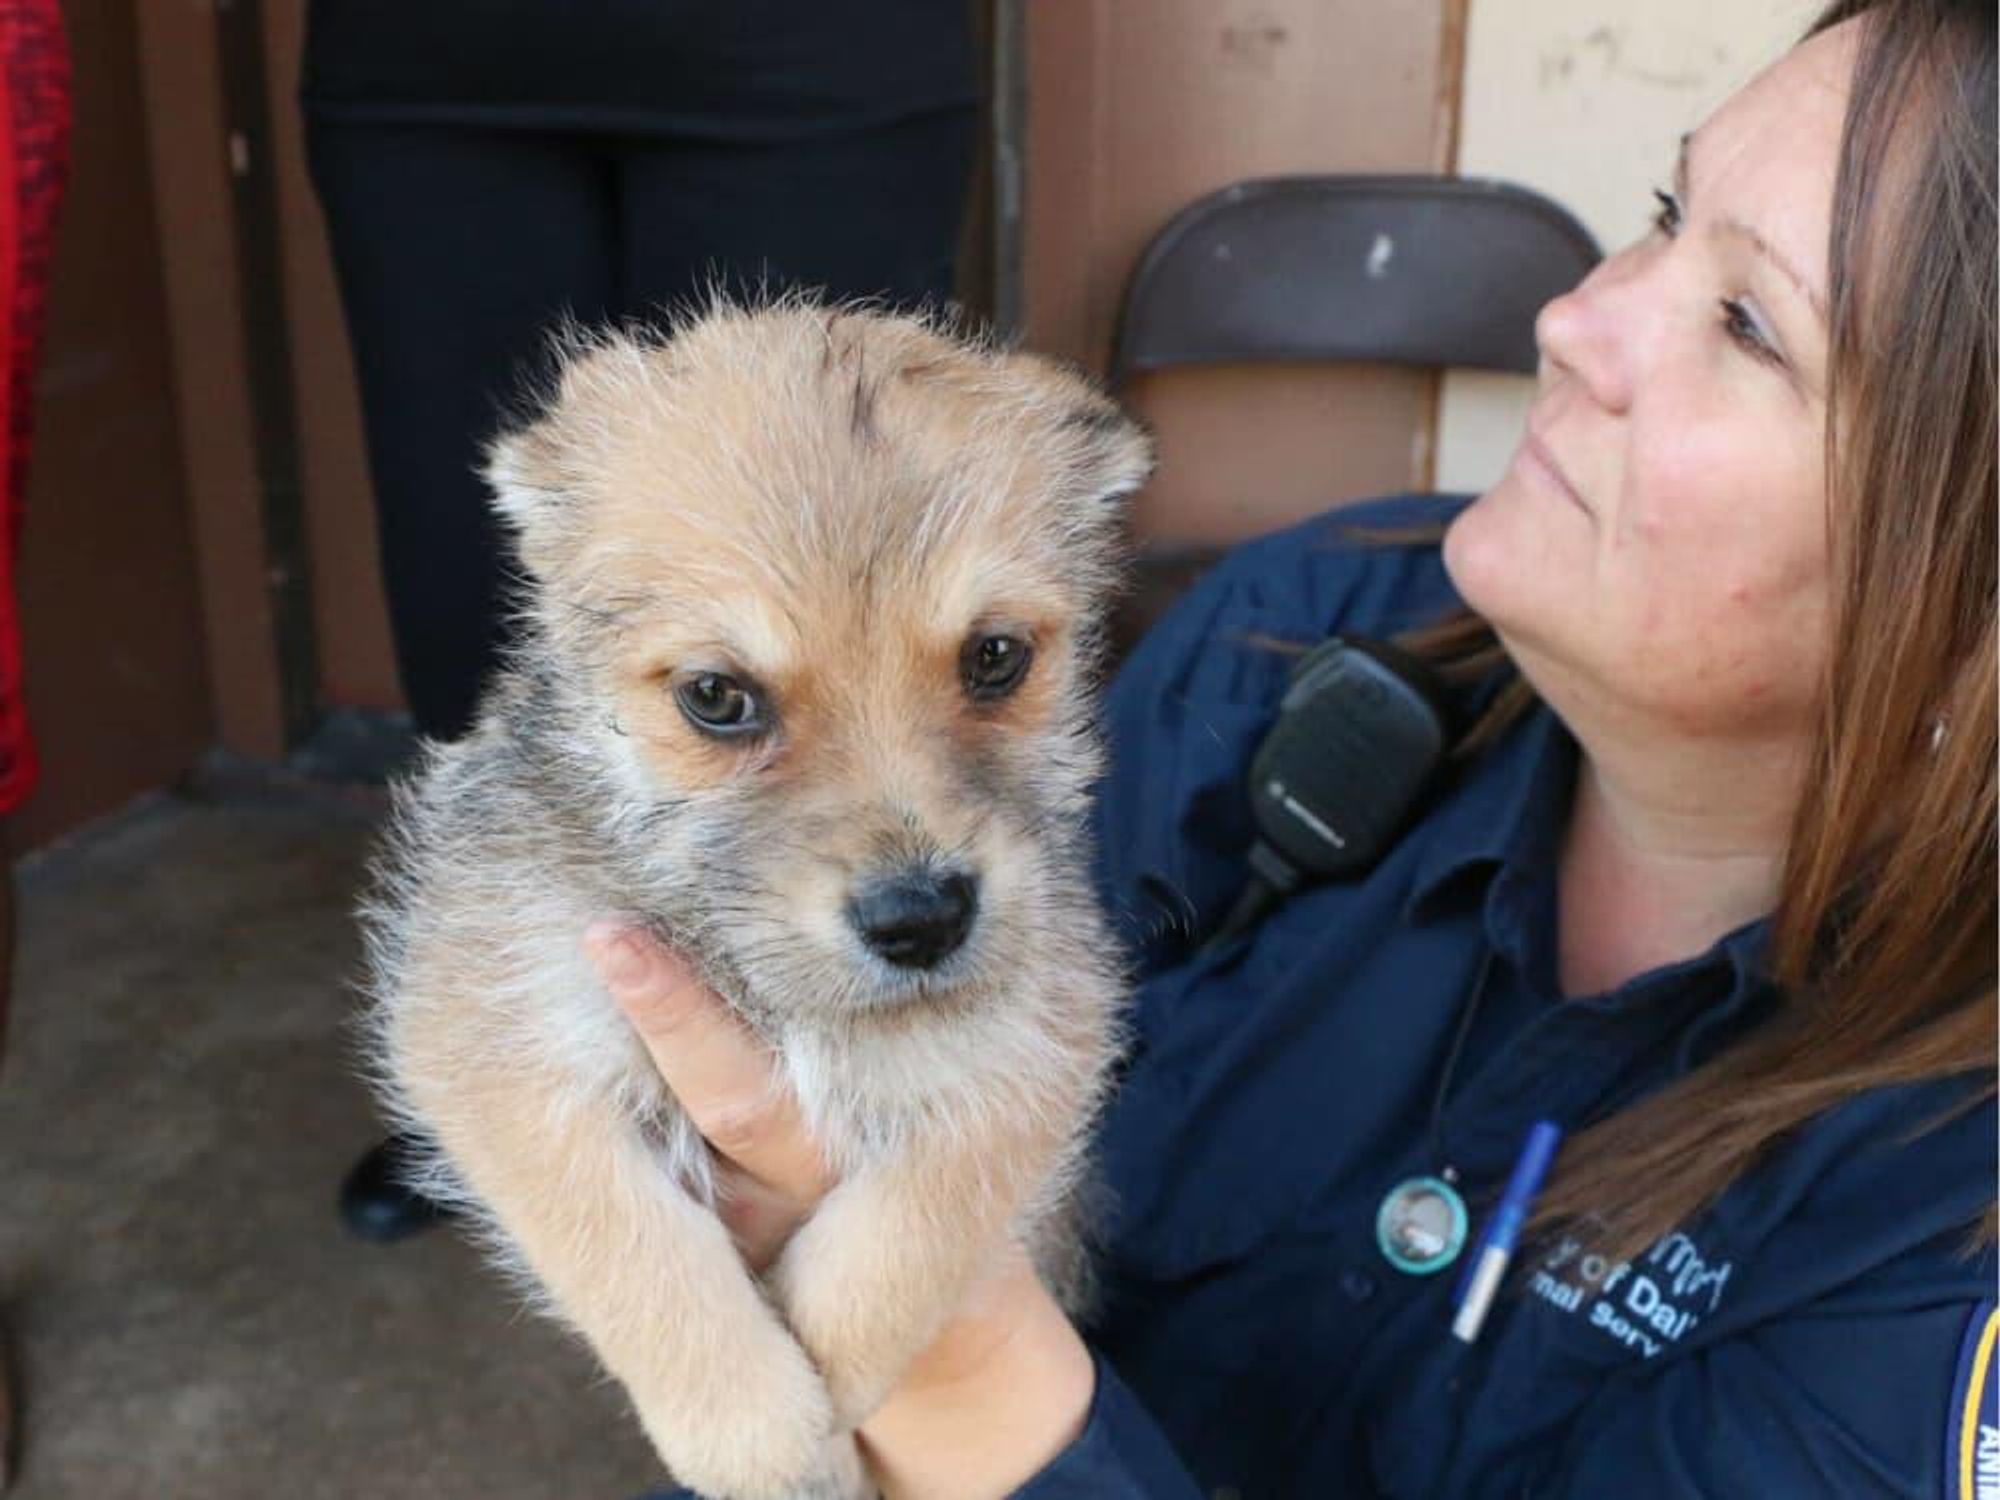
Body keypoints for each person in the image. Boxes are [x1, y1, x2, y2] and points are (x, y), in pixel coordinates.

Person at [583, 0, 1996, 1494]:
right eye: (1664, 213)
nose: (1575, 324)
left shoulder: (1943, 1220)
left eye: (1748, 325)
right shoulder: (1302, 638)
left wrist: (941, 1346)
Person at [300, 0, 980, 1239]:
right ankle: (523, 1068)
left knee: (819, 606)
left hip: (811, 55)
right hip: (429, 57)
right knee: (474, 610)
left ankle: (815, 1106)